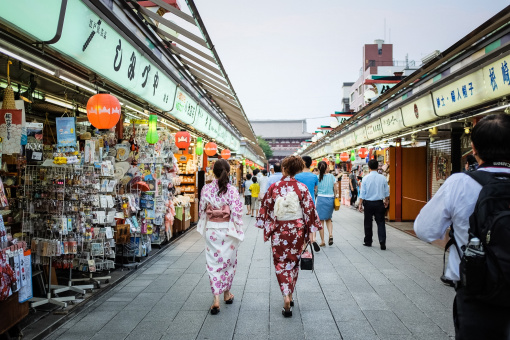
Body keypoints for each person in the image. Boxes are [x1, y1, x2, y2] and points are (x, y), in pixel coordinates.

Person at [414, 114, 510, 339]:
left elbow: (424, 229)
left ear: (473, 148)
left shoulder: (459, 183)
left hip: (475, 293)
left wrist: (455, 232)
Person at [256, 156, 322, 317]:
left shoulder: (274, 187)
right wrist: (311, 233)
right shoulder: (302, 188)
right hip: (297, 231)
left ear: (284, 169)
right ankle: (290, 293)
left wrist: (266, 225)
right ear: (298, 170)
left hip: (279, 230)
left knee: (280, 262)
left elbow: (266, 208)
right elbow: (309, 211)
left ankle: (285, 295)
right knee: (293, 262)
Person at [197, 159, 245, 315]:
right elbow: (237, 212)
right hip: (228, 230)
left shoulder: (206, 189)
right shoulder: (232, 190)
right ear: (229, 172)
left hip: (212, 229)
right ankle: (227, 294)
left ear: (213, 172)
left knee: (213, 263)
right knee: (228, 263)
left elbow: (202, 210)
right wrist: (238, 227)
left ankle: (216, 299)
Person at [359, 159, 389, 250]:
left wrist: (360, 204)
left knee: (368, 222)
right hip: (379, 203)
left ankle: (368, 241)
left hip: (368, 203)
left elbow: (362, 193)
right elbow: (386, 192)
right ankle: (382, 241)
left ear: (368, 167)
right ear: (377, 167)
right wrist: (386, 201)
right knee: (380, 222)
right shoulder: (383, 178)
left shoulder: (365, 178)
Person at [315, 161, 336, 247]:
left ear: (319, 168)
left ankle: (323, 241)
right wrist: (335, 197)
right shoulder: (331, 177)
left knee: (321, 221)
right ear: (327, 167)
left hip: (321, 199)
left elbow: (315, 190)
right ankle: (330, 234)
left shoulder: (317, 178)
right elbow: (335, 188)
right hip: (330, 199)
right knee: (329, 219)